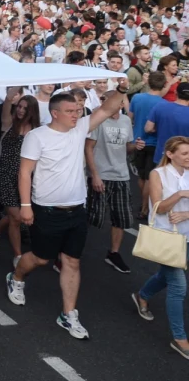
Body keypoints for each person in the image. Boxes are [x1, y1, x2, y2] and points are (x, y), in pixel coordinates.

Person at [7, 90, 125, 340]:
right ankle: (16, 277)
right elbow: (25, 172)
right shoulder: (37, 137)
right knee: (41, 258)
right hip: (46, 209)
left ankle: (68, 314)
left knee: (72, 261)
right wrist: (26, 205)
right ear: (55, 113)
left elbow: (107, 108)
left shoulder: (80, 128)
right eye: (70, 111)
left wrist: (122, 90)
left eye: (78, 110)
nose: (77, 114)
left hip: (76, 209)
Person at [130, 136, 189, 360]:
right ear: (170, 154)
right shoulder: (158, 174)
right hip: (167, 236)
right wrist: (179, 195)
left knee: (166, 275)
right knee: (178, 285)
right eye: (184, 153)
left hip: (187, 236)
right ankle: (179, 337)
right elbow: (158, 208)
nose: (188, 157)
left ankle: (142, 296)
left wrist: (186, 213)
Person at [0, 91, 41, 264]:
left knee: (16, 214)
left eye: (25, 108)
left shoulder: (38, 132)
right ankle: (17, 256)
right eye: (20, 107)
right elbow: (8, 103)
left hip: (25, 179)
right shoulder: (9, 123)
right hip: (6, 175)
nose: (21, 110)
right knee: (16, 217)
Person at [85, 98, 135, 274]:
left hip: (121, 175)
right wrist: (95, 175)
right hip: (102, 175)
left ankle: (114, 253)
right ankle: (70, 251)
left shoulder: (126, 121)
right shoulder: (98, 119)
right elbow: (88, 148)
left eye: (119, 102)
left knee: (120, 217)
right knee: (93, 216)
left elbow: (127, 148)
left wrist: (135, 146)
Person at [130, 72, 166, 217]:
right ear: (163, 85)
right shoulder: (164, 104)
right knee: (149, 178)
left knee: (141, 176)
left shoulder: (137, 98)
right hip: (155, 143)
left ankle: (144, 205)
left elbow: (130, 117)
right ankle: (145, 207)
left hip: (137, 141)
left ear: (148, 82)